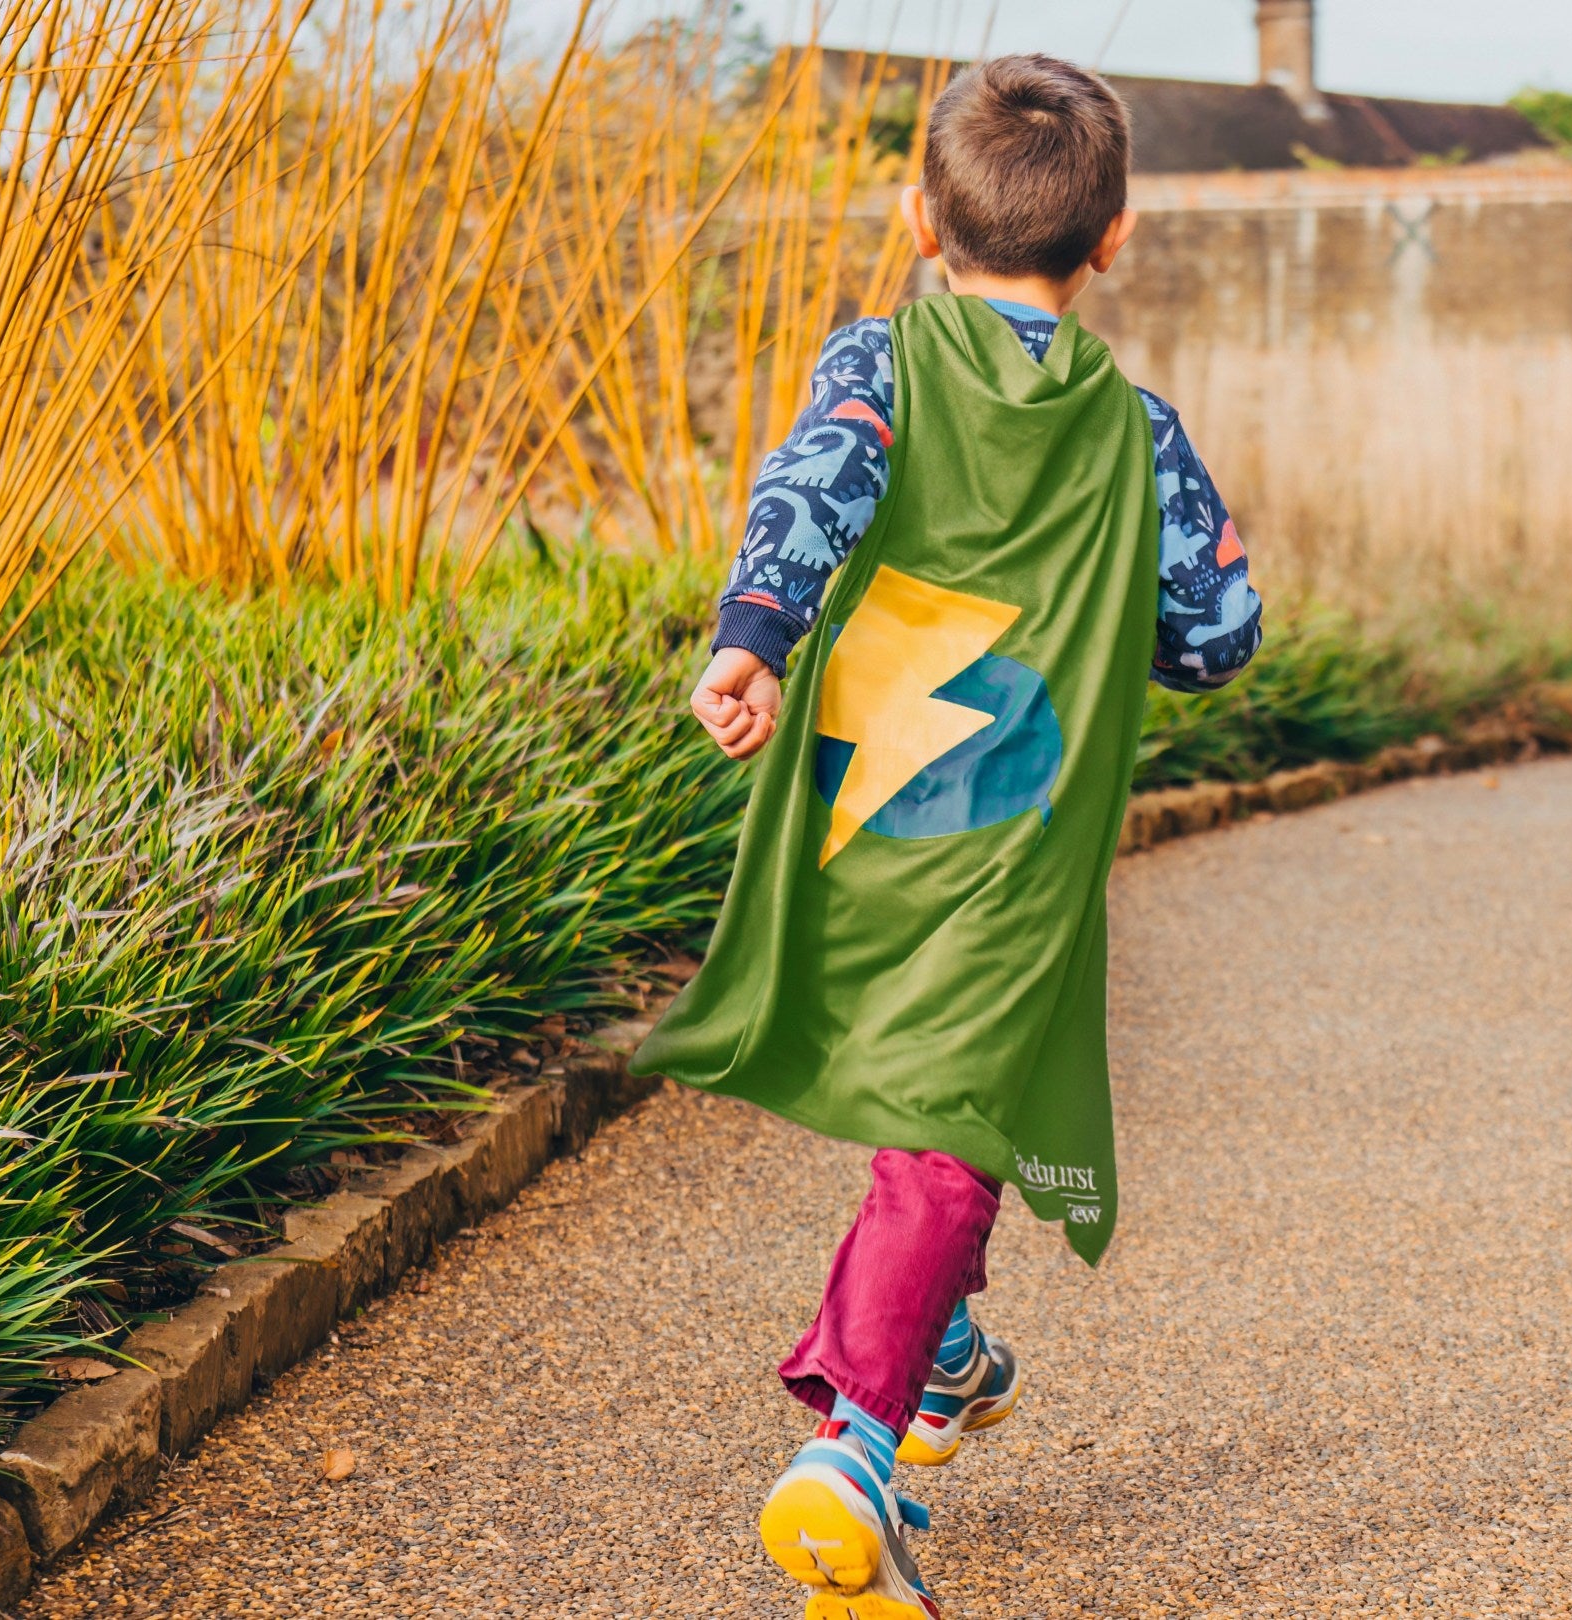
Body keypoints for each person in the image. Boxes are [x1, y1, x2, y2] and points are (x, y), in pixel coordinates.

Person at [632, 52, 1261, 1619]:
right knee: (956, 1115)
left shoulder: (882, 361)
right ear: (1112, 239)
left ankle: (946, 1355)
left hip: (871, 787)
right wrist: (1133, 622)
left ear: (922, 219)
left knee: (943, 1096)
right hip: (1018, 823)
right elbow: (1224, 628)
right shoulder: (1140, 431)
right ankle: (852, 1447)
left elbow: (810, 490)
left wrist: (753, 638)